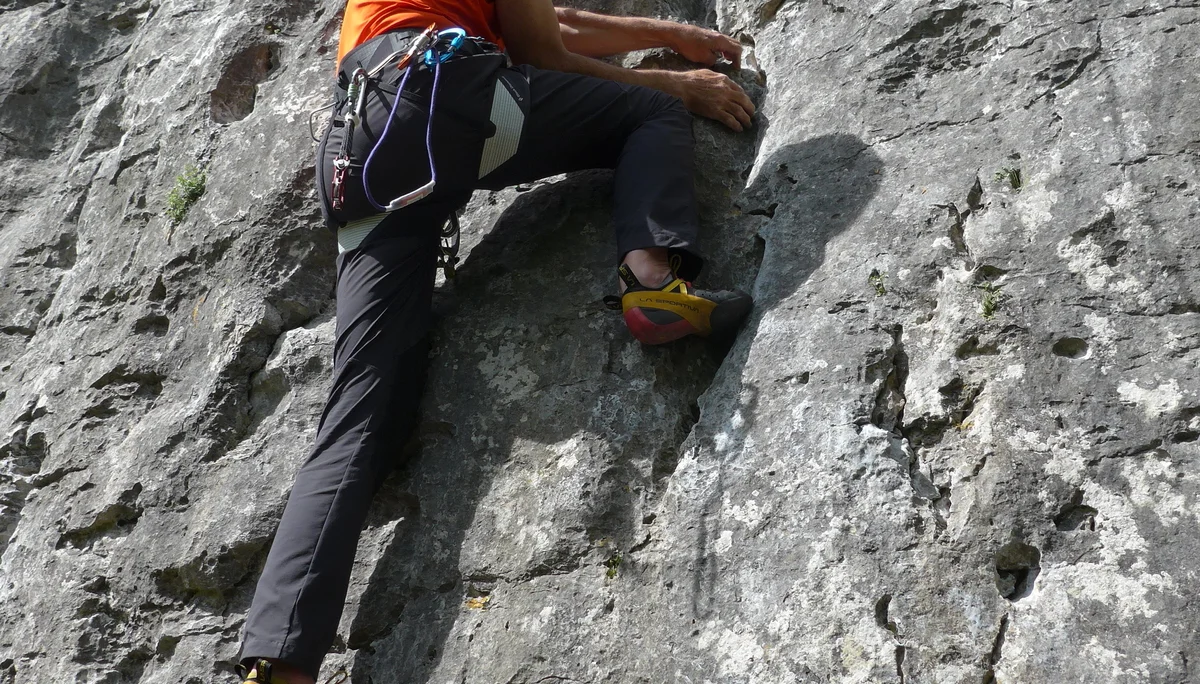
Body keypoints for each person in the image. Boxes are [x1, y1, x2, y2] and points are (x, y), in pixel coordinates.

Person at [237, 0, 755, 680]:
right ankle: (653, 281)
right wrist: (679, 84)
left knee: (357, 421)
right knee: (649, 114)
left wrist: (668, 34)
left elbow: (546, 25)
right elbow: (545, 51)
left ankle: (278, 661)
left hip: (361, 145)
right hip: (446, 101)